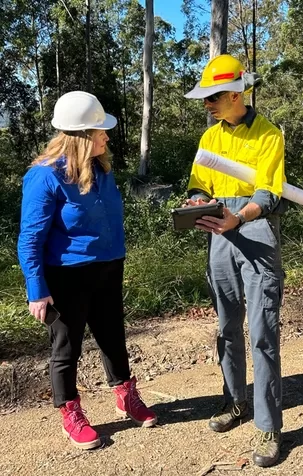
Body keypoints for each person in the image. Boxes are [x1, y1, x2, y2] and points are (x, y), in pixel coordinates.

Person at [17, 91, 157, 450]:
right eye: (100, 131)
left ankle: (126, 394)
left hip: (109, 267)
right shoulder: (45, 177)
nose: (107, 136)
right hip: (66, 275)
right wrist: (37, 288)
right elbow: (30, 238)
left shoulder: (100, 168)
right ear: (81, 136)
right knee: (66, 347)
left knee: (113, 336)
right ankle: (69, 410)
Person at [184, 55, 286, 467]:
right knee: (227, 326)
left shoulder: (268, 134)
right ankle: (235, 400)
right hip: (218, 231)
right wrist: (195, 201)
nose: (206, 104)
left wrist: (237, 217)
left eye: (212, 97)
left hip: (255, 228)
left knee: (262, 329)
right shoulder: (210, 137)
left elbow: (269, 192)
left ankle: (268, 424)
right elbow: (198, 180)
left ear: (235, 94)